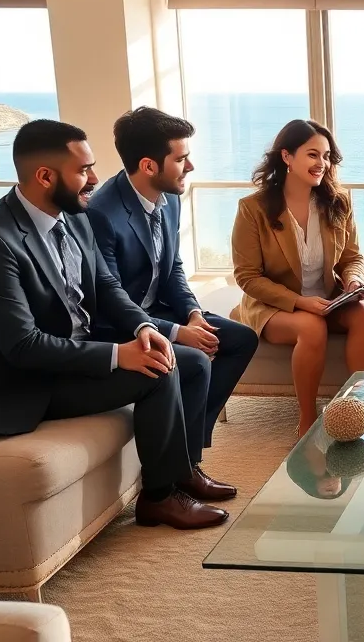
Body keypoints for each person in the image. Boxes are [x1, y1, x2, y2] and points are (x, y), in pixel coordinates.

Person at [0, 120, 231, 530]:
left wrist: (142, 328)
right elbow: (23, 346)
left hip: (69, 357)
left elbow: (106, 285)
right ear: (45, 176)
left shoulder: (75, 218)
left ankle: (183, 469)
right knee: (156, 372)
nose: (95, 179)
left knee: (190, 361)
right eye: (84, 170)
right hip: (20, 381)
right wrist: (118, 355)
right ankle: (159, 498)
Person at [87, 107, 260, 481]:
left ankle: (190, 451)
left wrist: (194, 314)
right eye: (181, 159)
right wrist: (178, 332)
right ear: (149, 166)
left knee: (240, 339)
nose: (190, 167)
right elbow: (110, 299)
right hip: (121, 325)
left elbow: (173, 268)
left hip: (162, 309)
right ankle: (185, 468)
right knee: (196, 360)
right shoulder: (102, 213)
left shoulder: (170, 198)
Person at [231, 119, 364, 436]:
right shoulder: (253, 209)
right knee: (311, 326)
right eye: (313, 154)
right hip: (275, 305)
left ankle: (357, 410)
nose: (322, 163)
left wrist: (354, 283)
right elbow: (247, 277)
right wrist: (300, 302)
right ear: (287, 156)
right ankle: (308, 422)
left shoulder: (338, 202)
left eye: (326, 156)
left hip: (327, 299)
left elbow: (352, 258)